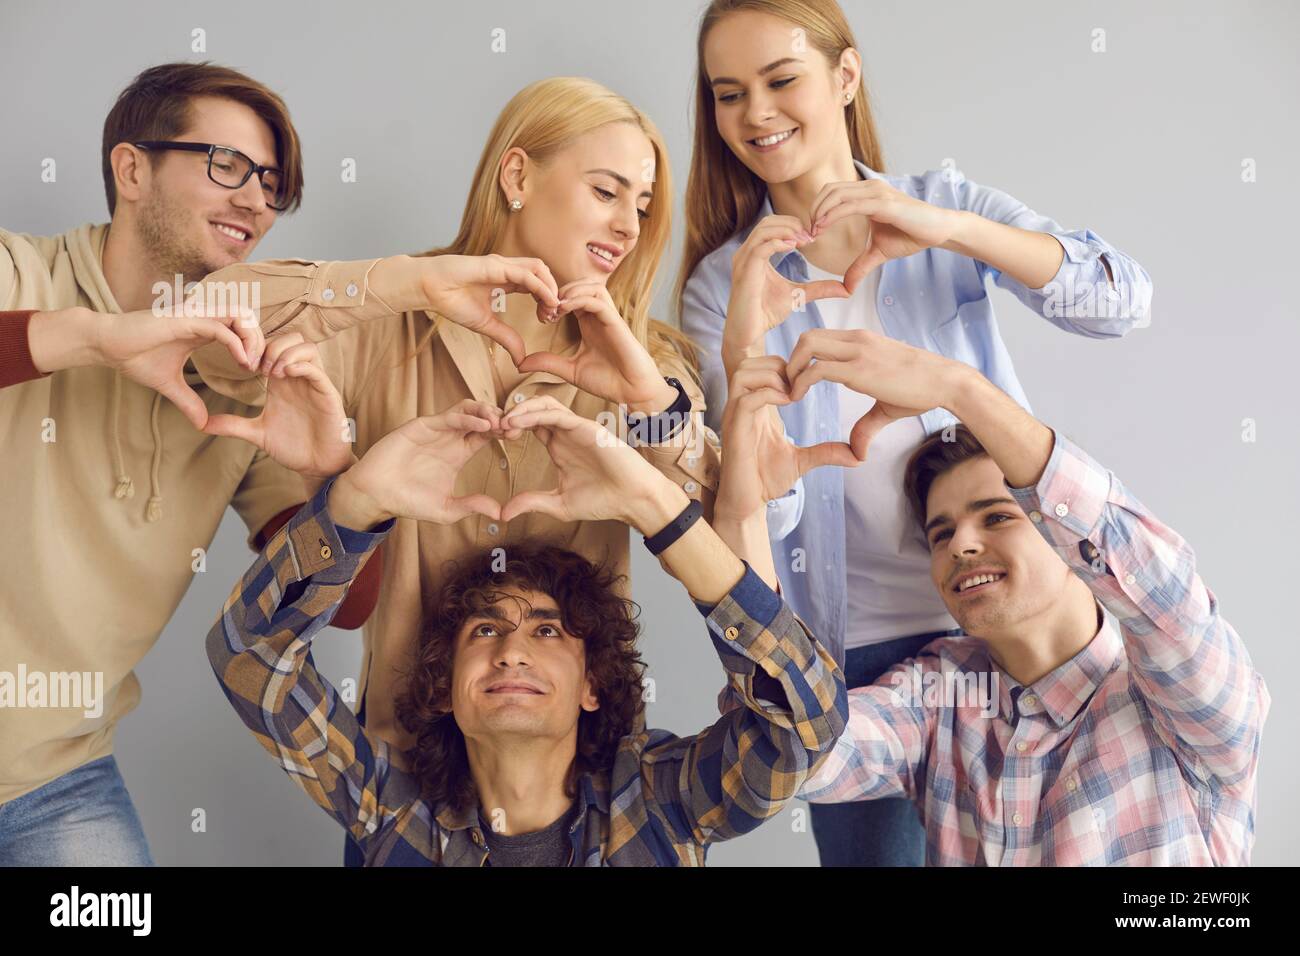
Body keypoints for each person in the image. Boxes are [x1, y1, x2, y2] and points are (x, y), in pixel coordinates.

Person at [676, 0, 1153, 865]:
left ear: (844, 77)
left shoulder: (941, 208)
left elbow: (1121, 301)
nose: (757, 114)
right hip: (849, 658)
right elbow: (759, 519)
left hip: (1017, 620)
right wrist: (747, 345)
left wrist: (952, 228)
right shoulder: (723, 283)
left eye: (782, 80)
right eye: (729, 93)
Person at [187, 76, 722, 786]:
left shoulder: (645, 360)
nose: (629, 225)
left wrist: (649, 399)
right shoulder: (388, 324)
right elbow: (200, 325)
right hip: (399, 790)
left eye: (643, 205)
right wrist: (404, 282)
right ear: (518, 174)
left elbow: (722, 529)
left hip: (584, 796)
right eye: (607, 191)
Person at [205, 375, 847, 865]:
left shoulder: (661, 801)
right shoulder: (392, 807)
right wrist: (352, 504)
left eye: (546, 630)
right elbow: (248, 655)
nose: (512, 652)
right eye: (484, 630)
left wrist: (659, 509)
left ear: (593, 684)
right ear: (447, 689)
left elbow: (806, 722)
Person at [0, 62, 377, 866]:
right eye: (226, 165)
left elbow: (347, 609)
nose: (255, 200)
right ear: (130, 168)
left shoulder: (241, 383)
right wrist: (99, 339)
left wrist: (332, 479)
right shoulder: (18, 272)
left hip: (54, 781)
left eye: (271, 183)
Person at [754, 326, 1269, 864]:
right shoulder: (941, 695)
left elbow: (1171, 602)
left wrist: (960, 389)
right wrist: (744, 510)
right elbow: (798, 746)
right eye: (941, 533)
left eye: (997, 516)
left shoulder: (1183, 708)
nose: (962, 545)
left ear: (1062, 531)